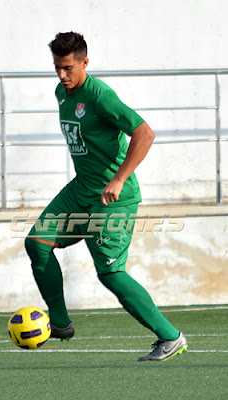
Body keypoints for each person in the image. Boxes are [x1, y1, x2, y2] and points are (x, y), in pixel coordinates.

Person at [25, 31, 188, 361]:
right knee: (37, 242)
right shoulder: (62, 92)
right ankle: (60, 324)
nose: (61, 75)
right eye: (57, 67)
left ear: (85, 62)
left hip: (113, 197)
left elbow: (144, 132)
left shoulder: (101, 96)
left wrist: (118, 179)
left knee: (111, 273)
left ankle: (171, 337)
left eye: (68, 68)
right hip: (80, 189)